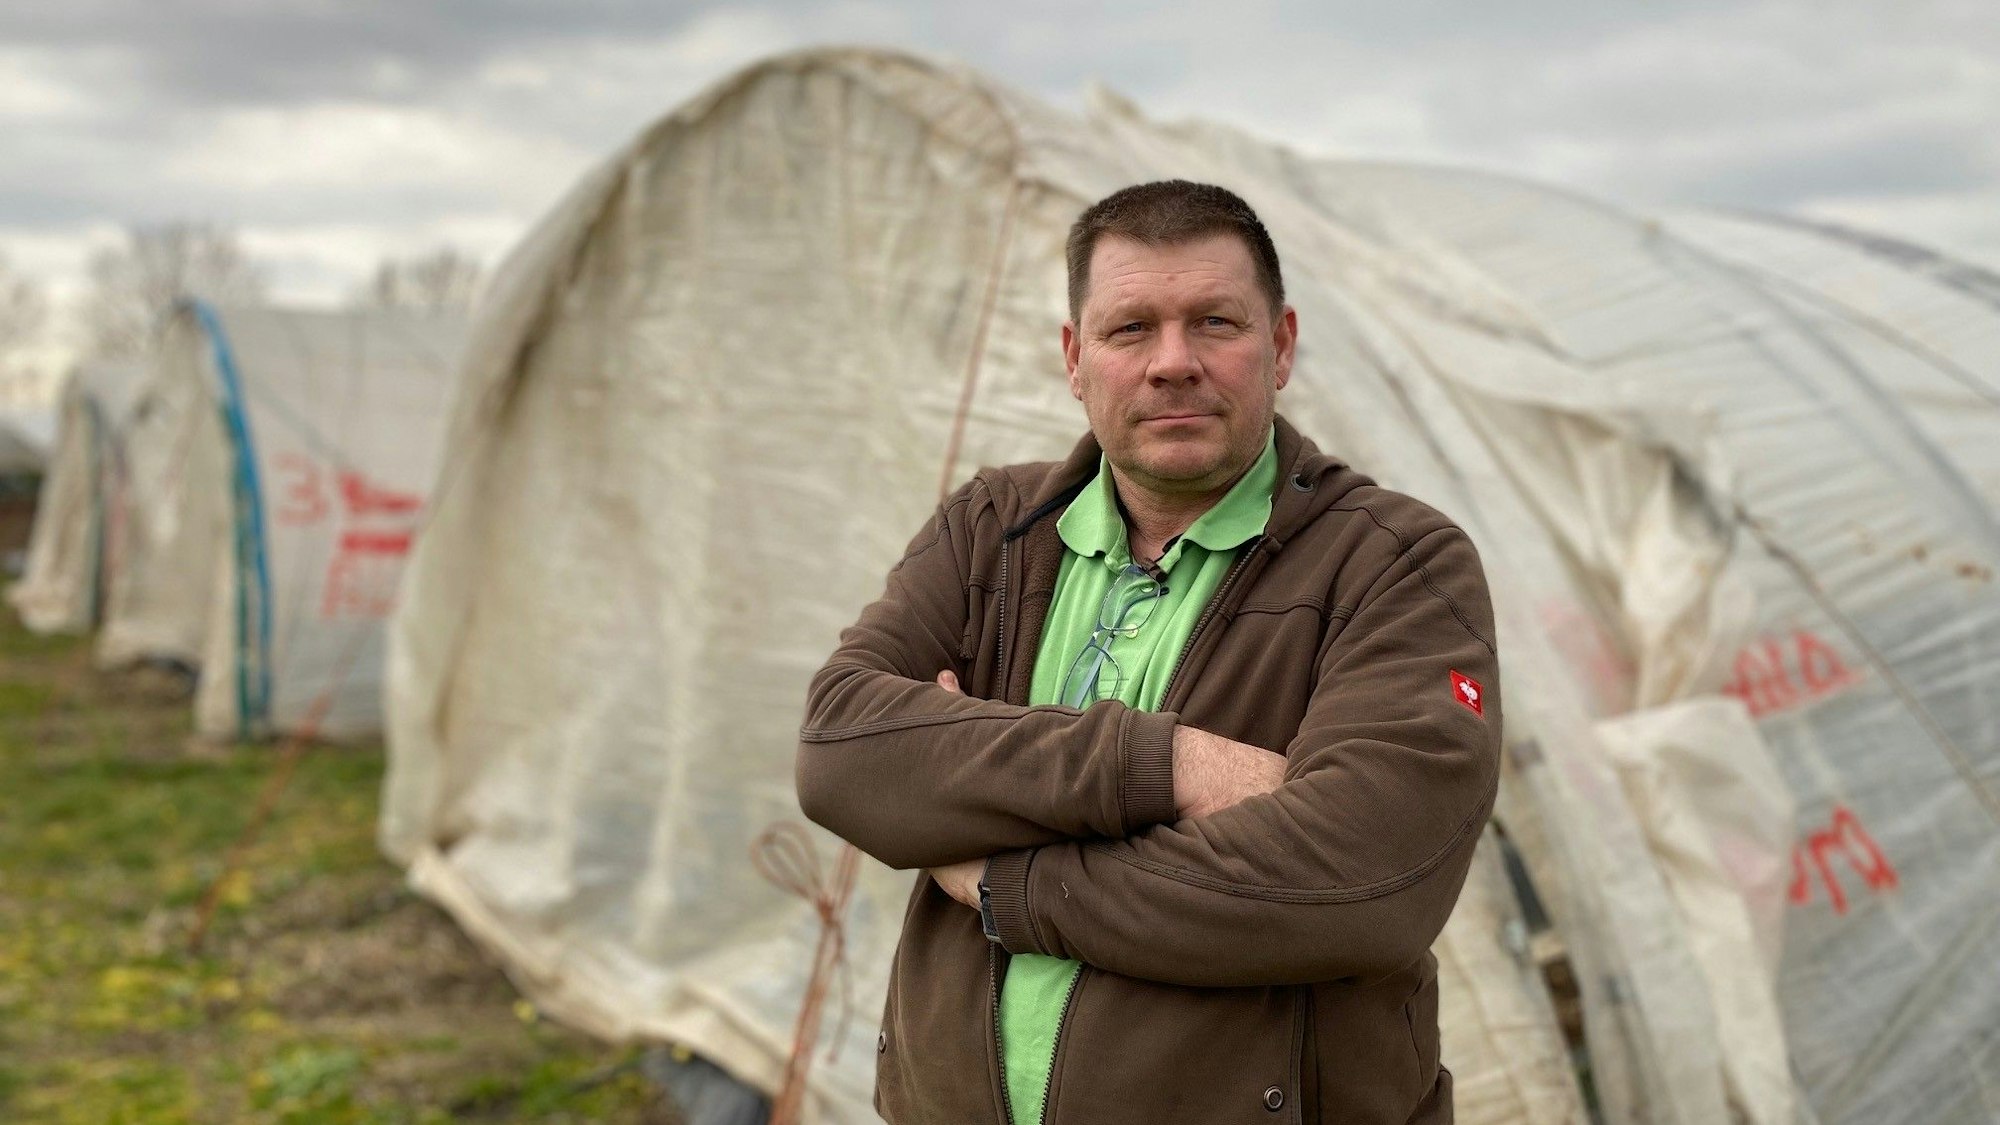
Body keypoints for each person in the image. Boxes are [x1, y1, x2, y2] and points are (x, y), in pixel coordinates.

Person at [797, 179, 1500, 1124]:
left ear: (1282, 345)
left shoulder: (1395, 562)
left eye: (1215, 321)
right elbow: (843, 751)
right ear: (1075, 358)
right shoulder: (990, 531)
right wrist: (1160, 766)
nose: (1174, 362)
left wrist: (1005, 876)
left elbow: (1357, 883)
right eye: (1131, 329)